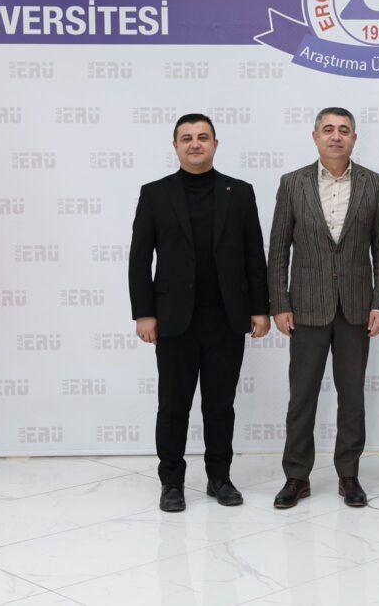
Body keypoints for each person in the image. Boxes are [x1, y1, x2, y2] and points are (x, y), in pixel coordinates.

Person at [129, 113, 270, 512]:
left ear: (215, 144)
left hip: (227, 317)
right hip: (174, 319)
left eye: (203, 137)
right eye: (187, 137)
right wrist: (144, 313)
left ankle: (219, 478)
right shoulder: (155, 194)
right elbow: (139, 258)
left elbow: (253, 255)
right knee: (173, 406)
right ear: (175, 146)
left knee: (220, 405)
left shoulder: (239, 192)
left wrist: (260, 309)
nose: (195, 143)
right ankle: (171, 482)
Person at [268, 107, 379, 509]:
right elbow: (278, 250)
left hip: (357, 307)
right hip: (305, 306)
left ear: (354, 138)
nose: (336, 136)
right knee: (301, 396)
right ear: (315, 137)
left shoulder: (374, 183)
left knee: (352, 397)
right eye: (328, 130)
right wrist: (280, 303)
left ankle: (349, 475)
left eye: (344, 130)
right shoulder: (293, 183)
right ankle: (296, 477)